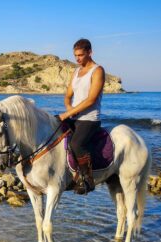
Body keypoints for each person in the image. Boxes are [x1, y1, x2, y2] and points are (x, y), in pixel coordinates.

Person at [58, 38, 105, 194]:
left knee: (77, 144)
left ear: (89, 52)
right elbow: (67, 96)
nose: (77, 59)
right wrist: (69, 108)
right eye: (75, 55)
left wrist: (68, 113)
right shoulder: (77, 71)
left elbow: (91, 100)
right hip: (75, 117)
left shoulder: (97, 70)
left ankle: (87, 179)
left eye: (80, 55)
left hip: (90, 119)